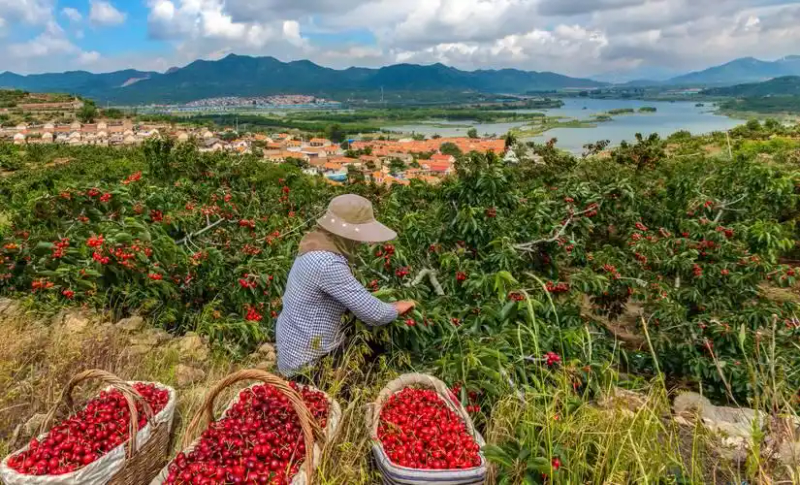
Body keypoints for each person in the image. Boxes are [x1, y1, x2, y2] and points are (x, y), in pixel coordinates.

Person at [276, 194, 415, 377]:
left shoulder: (313, 246)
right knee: (376, 346)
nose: (359, 242)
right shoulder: (328, 263)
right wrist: (398, 307)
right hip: (307, 365)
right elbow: (376, 314)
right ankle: (351, 391)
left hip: (292, 352)